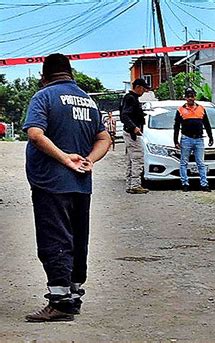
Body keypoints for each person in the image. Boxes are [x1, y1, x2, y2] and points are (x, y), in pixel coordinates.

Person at [22, 53, 111, 322]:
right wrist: (89, 160)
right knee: (77, 238)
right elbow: (104, 137)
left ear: (44, 75)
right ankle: (73, 295)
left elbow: (35, 134)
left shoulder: (44, 97)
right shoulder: (88, 100)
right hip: (81, 185)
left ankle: (60, 302)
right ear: (70, 73)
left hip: (52, 183)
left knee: (55, 239)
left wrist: (64, 158)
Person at [174, 87, 214, 192]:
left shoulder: (201, 109)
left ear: (194, 96)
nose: (190, 98)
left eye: (192, 96)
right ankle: (185, 183)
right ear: (185, 97)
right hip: (186, 139)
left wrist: (210, 137)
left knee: (200, 162)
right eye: (188, 96)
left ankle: (204, 184)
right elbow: (176, 126)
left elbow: (207, 124)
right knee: (184, 162)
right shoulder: (180, 110)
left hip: (199, 139)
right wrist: (175, 140)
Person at [120, 78, 150, 194]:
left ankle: (130, 184)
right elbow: (125, 115)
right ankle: (135, 185)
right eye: (143, 88)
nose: (143, 91)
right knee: (137, 158)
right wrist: (134, 127)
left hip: (129, 133)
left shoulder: (130, 98)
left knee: (131, 160)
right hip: (132, 134)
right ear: (138, 87)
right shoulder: (131, 98)